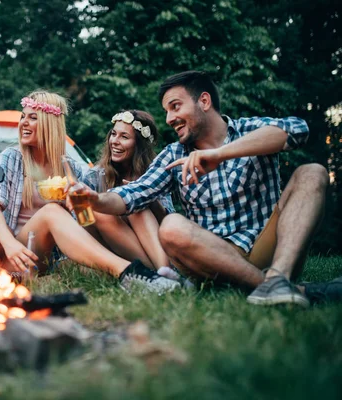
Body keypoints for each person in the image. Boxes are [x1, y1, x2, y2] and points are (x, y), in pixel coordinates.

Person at [72, 70, 341, 306]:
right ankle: (277, 287)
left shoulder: (248, 129)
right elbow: (132, 195)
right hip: (211, 258)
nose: (169, 118)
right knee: (172, 226)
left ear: (204, 101)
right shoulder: (172, 154)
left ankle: (278, 277)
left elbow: (298, 130)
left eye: (175, 107)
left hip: (267, 247)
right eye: (167, 111)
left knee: (312, 172)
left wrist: (220, 155)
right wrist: (95, 200)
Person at [0, 90, 181, 293]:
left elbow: (84, 220)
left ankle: (158, 278)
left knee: (99, 210)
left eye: (33, 117)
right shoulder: (11, 158)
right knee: (52, 211)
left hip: (52, 258)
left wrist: (80, 204)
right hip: (17, 253)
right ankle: (129, 273)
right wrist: (9, 244)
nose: (23, 122)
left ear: (50, 124)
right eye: (22, 116)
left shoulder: (72, 169)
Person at [85, 110, 175, 271]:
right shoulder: (95, 175)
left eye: (124, 137)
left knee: (136, 204)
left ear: (140, 145)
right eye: (113, 134)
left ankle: (163, 272)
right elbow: (80, 222)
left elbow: (168, 224)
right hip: (105, 247)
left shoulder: (153, 176)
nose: (115, 141)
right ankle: (160, 272)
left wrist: (148, 198)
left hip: (150, 245)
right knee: (101, 211)